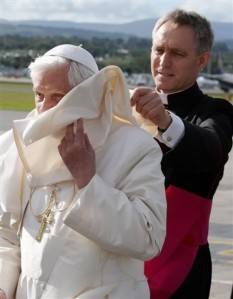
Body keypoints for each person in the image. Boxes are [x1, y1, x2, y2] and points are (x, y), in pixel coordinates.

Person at [0, 44, 167, 299]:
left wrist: (88, 180)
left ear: (86, 95)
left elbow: (148, 238)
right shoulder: (19, 144)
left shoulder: (134, 146)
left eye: (57, 96)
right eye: (39, 95)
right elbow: (6, 233)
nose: (44, 109)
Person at [130, 9, 233, 299]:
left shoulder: (215, 112)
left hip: (177, 272)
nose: (163, 62)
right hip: (122, 263)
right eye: (159, 49)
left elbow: (209, 149)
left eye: (177, 53)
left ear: (202, 60)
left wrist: (164, 121)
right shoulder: (128, 109)